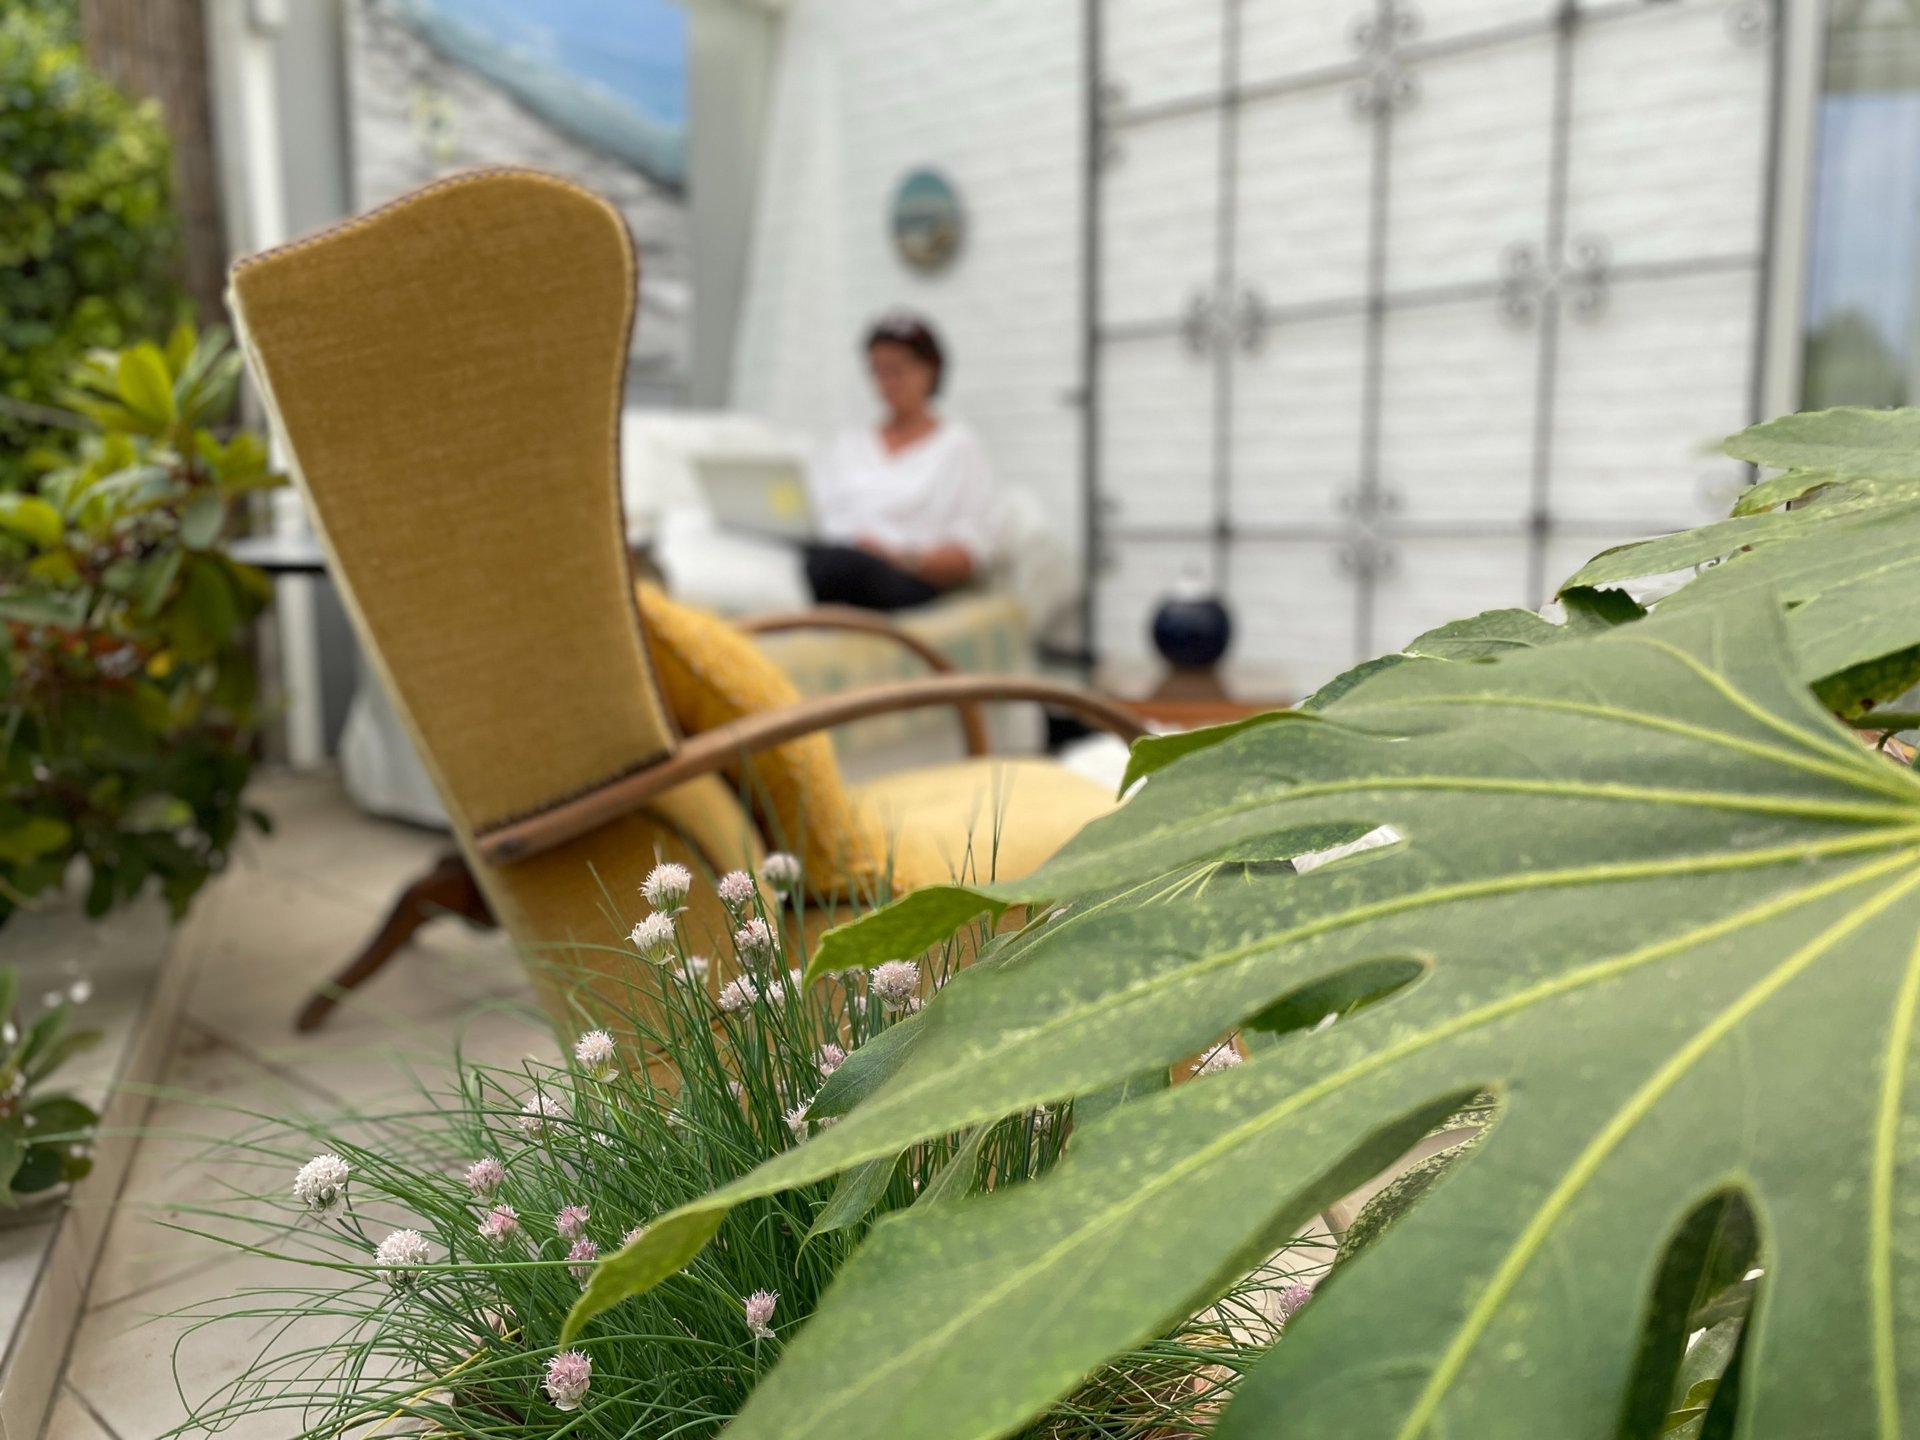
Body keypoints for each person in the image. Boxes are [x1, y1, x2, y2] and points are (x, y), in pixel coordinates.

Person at [804, 312, 1000, 611]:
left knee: (839, 566)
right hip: (835, 554)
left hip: (904, 573)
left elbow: (969, 555)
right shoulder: (850, 443)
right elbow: (817, 513)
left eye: (897, 369)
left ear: (930, 370)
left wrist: (897, 556)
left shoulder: (959, 448)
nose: (888, 382)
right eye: (879, 370)